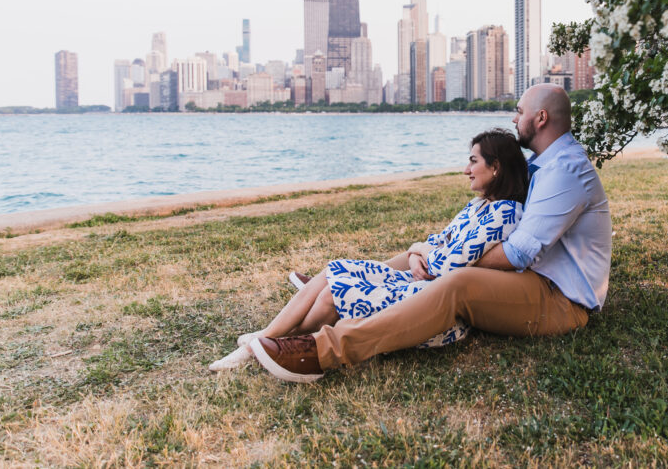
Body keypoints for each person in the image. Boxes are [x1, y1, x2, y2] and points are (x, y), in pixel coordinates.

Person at [248, 83, 613, 383]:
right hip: (534, 280)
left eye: (520, 112)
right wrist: (431, 254)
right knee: (424, 261)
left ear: (541, 117)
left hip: (560, 300)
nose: (515, 118)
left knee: (458, 283)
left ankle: (324, 351)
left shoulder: (565, 170)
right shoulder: (544, 163)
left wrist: (446, 263)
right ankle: (360, 282)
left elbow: (517, 253)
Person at [208, 128, 529, 371]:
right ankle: (266, 339)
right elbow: (437, 242)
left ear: (496, 167)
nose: (466, 169)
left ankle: (266, 345)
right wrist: (420, 251)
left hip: (433, 307)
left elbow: (445, 267)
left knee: (332, 294)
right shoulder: (479, 205)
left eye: (473, 161)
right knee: (332, 273)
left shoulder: (506, 213)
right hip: (419, 284)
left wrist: (423, 254)